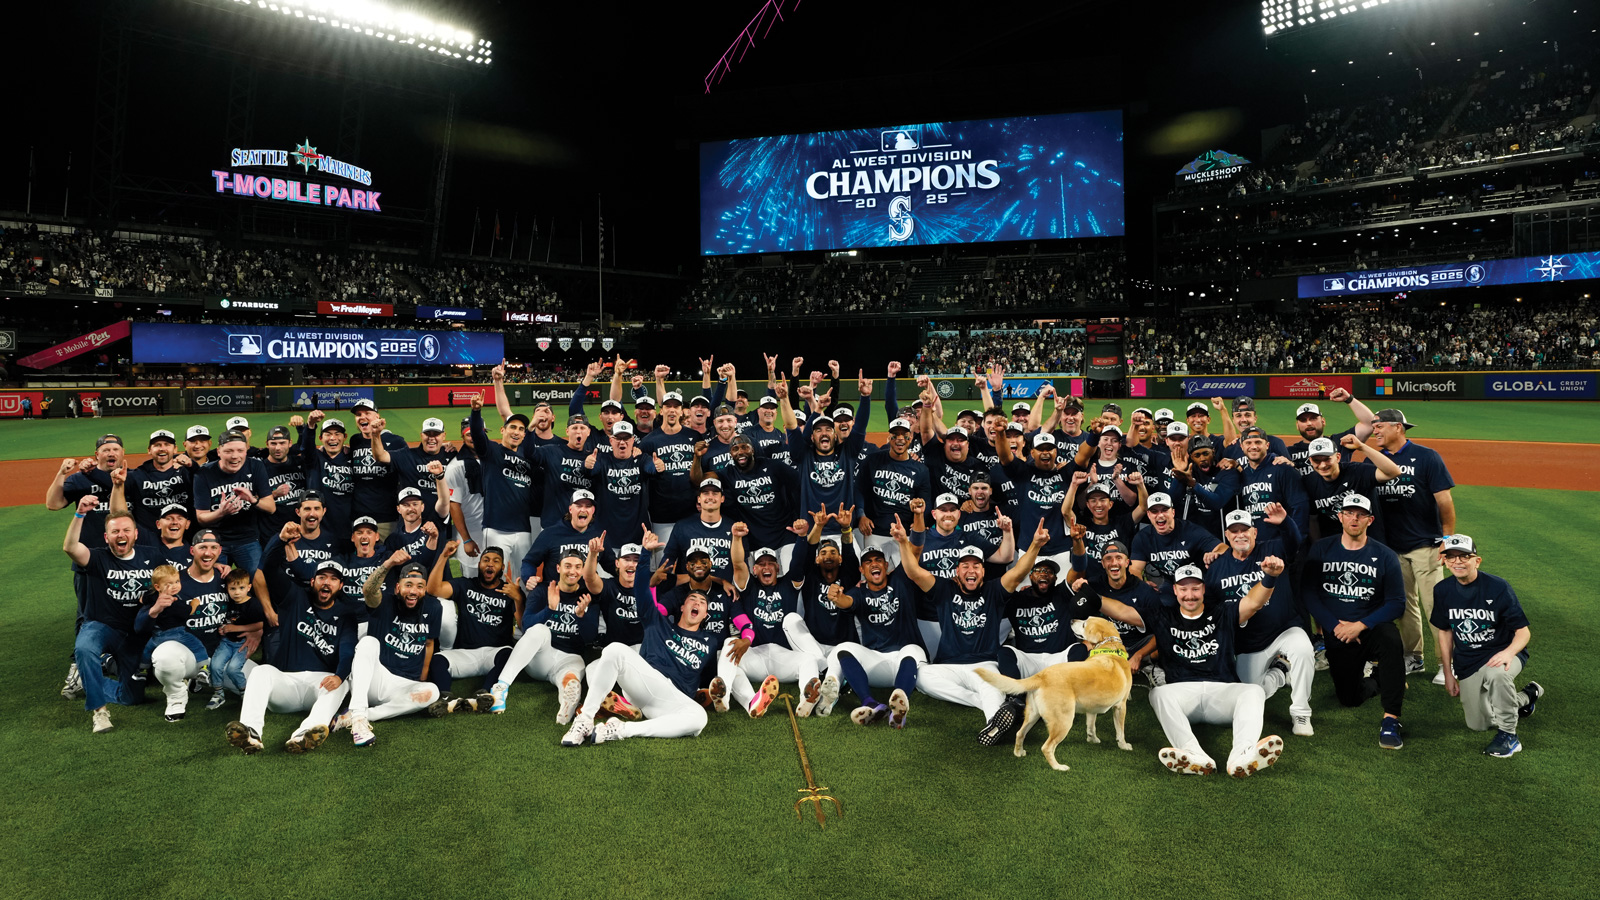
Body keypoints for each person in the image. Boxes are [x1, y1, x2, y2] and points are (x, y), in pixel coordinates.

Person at [1092, 563, 1286, 778]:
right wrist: (1091, 595)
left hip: (1221, 693)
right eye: (1183, 589)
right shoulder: (1163, 616)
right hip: (1183, 696)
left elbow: (1253, 603)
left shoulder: (1222, 612)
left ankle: (1242, 755)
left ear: (1203, 589)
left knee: (1254, 692)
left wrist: (1270, 577)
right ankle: (1194, 755)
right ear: (1175, 590)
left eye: (1195, 589)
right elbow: (1123, 611)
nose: (1189, 595)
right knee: (1158, 693)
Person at [895, 517, 1052, 733]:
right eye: (965, 566)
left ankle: (994, 726)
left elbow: (1018, 574)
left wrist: (1035, 545)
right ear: (957, 572)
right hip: (949, 665)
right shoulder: (944, 589)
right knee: (922, 677)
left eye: (976, 565)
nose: (971, 570)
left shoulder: (994, 591)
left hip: (984, 664)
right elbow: (913, 572)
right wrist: (904, 542)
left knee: (990, 686)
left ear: (983, 571)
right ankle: (991, 706)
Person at [557, 587, 739, 746]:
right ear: (682, 607)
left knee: (700, 718)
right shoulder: (661, 625)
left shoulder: (710, 642)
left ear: (706, 614)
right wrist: (645, 554)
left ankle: (622, 729)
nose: (697, 603)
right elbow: (643, 593)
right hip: (648, 685)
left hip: (671, 700)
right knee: (614, 650)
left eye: (702, 602)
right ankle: (585, 719)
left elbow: (706, 677)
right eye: (692, 599)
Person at [1301, 494, 1408, 749]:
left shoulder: (1385, 555)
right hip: (1337, 631)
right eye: (1349, 513)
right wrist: (1335, 625)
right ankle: (1381, 677)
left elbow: (1397, 602)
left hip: (1370, 626)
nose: (1354, 518)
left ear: (1369, 520)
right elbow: (1308, 593)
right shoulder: (1321, 549)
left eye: (1360, 514)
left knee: (1392, 641)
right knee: (1349, 698)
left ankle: (1391, 720)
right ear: (1340, 517)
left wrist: (1361, 625)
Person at [226, 558, 356, 754]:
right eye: (321, 577)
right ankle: (250, 732)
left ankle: (304, 734)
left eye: (333, 579)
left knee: (343, 683)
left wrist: (339, 676)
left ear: (340, 585)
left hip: (319, 683)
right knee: (262, 671)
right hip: (286, 681)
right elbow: (268, 567)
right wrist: (281, 540)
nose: (326, 582)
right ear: (312, 582)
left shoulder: (346, 614)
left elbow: (347, 651)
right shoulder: (295, 597)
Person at [1430, 535, 1544, 757]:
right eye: (1451, 557)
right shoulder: (1442, 590)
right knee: (1478, 724)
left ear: (1477, 561)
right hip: (1468, 661)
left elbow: (1523, 632)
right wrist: (1448, 672)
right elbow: (1445, 631)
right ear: (1444, 561)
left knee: (1497, 676)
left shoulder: (1497, 587)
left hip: (1501, 653)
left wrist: (1508, 653)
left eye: (1464, 556)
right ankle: (1527, 696)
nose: (1457, 562)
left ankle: (1509, 736)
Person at [1206, 507, 1316, 737]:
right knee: (1251, 694)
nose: (1240, 535)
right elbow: (1213, 610)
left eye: (1245, 530)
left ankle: (1301, 713)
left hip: (1283, 629)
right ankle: (1278, 673)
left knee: (1304, 649)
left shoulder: (1273, 548)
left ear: (1254, 532)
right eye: (1234, 531)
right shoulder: (1217, 567)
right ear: (1227, 536)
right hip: (1248, 643)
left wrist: (1286, 522)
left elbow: (1295, 542)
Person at [1371, 408, 1457, 683]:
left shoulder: (1427, 457)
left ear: (1398, 427)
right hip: (1391, 548)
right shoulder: (1376, 459)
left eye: (1379, 426)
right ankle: (1414, 657)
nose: (1375, 431)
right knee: (1404, 607)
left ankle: (1449, 663)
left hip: (1425, 545)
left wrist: (1447, 540)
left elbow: (1444, 501)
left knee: (1435, 606)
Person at [63, 495, 161, 733]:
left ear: (135, 534)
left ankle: (90, 680)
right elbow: (70, 547)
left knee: (131, 697)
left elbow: (172, 581)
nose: (121, 535)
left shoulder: (153, 556)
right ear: (107, 537)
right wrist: (80, 515)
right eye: (115, 531)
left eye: (126, 530)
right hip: (102, 626)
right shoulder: (97, 557)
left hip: (135, 633)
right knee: (85, 647)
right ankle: (100, 711)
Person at [341, 556, 445, 747]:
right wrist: (388, 564)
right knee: (368, 642)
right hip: (375, 678)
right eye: (408, 585)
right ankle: (358, 718)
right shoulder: (384, 603)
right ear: (397, 587)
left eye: (420, 586)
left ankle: (363, 715)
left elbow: (429, 642)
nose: (414, 591)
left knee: (432, 691)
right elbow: (369, 590)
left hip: (403, 686)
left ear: (424, 590)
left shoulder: (433, 607)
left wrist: (422, 676)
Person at [487, 549, 597, 721]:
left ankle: (566, 709)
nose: (572, 571)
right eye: (567, 566)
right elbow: (527, 626)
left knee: (571, 682)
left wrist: (581, 617)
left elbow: (590, 638)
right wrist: (550, 610)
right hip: (540, 658)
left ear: (583, 570)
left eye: (577, 567)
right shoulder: (542, 590)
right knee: (540, 630)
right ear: (558, 568)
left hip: (569, 657)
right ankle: (501, 687)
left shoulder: (587, 595)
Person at [425, 540, 519, 712]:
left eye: (496, 561)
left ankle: (485, 694)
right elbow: (433, 589)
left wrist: (518, 598)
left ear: (502, 567)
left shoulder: (509, 591)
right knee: (438, 659)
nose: (490, 564)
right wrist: (444, 556)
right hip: (465, 653)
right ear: (479, 564)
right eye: (486, 560)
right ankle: (445, 697)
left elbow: (522, 625)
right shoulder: (466, 584)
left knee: (509, 654)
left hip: (494, 653)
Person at [192, 431, 283, 574]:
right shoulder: (204, 473)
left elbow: (271, 507)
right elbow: (201, 518)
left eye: (240, 450)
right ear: (219, 452)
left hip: (247, 539)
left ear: (246, 450)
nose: (235, 456)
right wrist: (221, 512)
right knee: (213, 581)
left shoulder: (255, 466)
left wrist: (253, 500)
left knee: (258, 578)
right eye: (229, 451)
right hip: (214, 540)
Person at [468, 395, 538, 578]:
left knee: (523, 578)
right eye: (512, 427)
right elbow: (477, 434)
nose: (516, 432)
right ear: (502, 430)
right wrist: (476, 412)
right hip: (496, 529)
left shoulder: (527, 456)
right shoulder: (492, 451)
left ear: (524, 435)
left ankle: (521, 608)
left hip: (523, 529)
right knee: (493, 577)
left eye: (521, 429)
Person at [206, 568, 264, 710]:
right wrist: (223, 629)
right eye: (233, 588)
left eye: (241, 588)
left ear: (249, 587)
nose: (237, 592)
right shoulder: (228, 602)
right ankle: (218, 693)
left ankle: (245, 692)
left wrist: (234, 628)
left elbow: (260, 625)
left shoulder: (253, 604)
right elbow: (225, 621)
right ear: (227, 588)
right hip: (226, 642)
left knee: (233, 669)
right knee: (215, 665)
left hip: (242, 643)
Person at [442, 417, 487, 578]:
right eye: (469, 435)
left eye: (478, 433)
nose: (474, 438)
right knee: (472, 582)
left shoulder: (493, 459)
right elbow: (454, 505)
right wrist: (466, 540)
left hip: (495, 531)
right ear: (462, 436)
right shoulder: (456, 467)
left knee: (497, 581)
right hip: (472, 533)